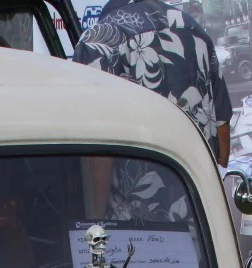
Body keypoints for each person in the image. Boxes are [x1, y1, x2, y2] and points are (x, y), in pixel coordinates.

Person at [72, 0, 232, 167]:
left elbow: (96, 144)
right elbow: (222, 123)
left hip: (132, 190)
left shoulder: (97, 42)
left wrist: (94, 194)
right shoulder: (193, 29)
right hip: (195, 187)